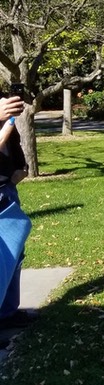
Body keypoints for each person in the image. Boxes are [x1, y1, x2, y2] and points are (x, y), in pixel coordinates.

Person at [0, 93, 34, 334]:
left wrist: (21, 167)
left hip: (6, 188)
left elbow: (13, 141)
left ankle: (7, 313)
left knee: (14, 253)